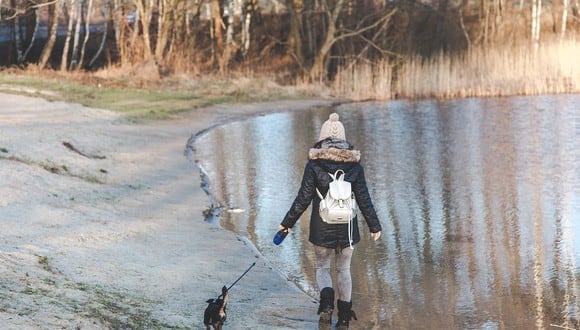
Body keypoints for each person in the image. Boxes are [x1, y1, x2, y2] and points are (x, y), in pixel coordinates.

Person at [279, 113, 382, 329]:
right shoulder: (355, 166)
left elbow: (303, 199)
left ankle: (326, 305)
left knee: (322, 267)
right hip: (348, 229)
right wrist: (374, 225)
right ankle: (344, 317)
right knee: (344, 270)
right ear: (344, 140)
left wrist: (287, 223)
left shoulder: (314, 166)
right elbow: (364, 198)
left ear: (322, 138)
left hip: (322, 228)